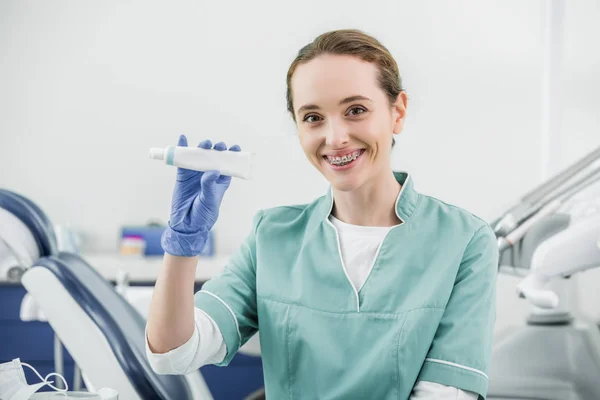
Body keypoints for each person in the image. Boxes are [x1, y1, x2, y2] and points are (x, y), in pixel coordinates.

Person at [146, 29, 499, 400]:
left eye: (356, 111)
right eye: (313, 117)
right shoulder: (273, 236)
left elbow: (443, 394)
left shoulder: (464, 241)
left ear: (398, 112)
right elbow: (174, 353)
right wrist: (182, 245)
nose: (335, 138)